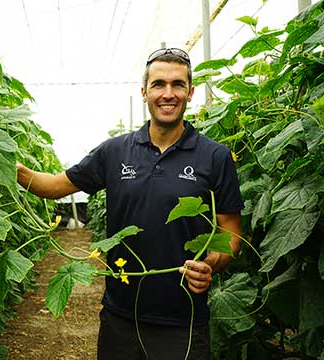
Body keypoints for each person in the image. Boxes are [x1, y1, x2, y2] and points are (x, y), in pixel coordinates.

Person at [16, 48, 243, 360]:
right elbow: (55, 186)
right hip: (120, 318)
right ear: (144, 92)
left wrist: (211, 265)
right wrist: (6, 165)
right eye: (158, 84)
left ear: (190, 93)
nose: (168, 94)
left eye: (177, 85)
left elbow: (232, 234)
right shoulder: (115, 152)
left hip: (183, 321)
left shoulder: (215, 156)